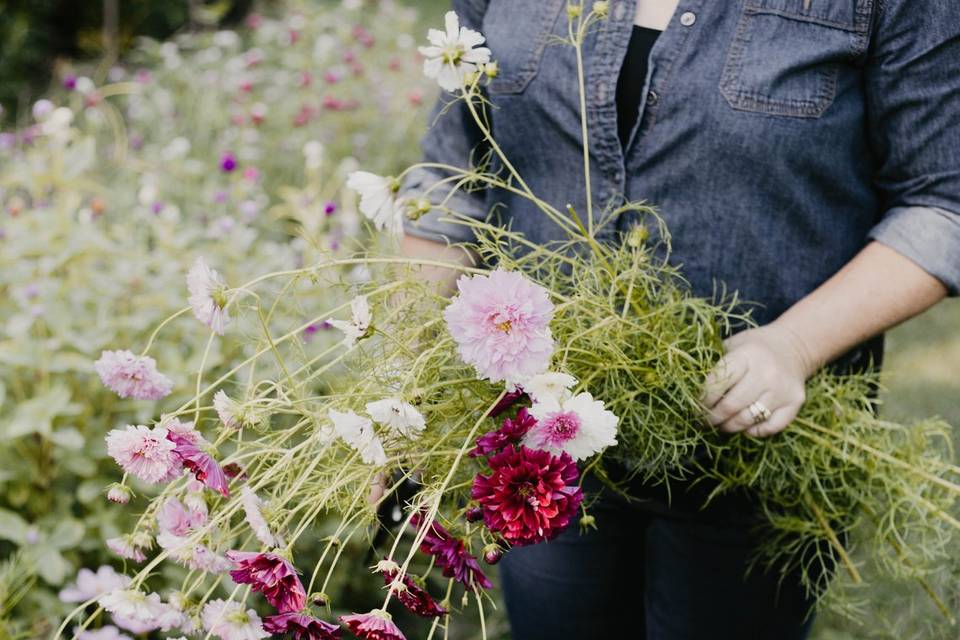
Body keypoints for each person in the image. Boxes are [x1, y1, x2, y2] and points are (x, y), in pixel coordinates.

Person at [398, 0, 960, 637]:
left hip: (758, 445)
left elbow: (943, 203)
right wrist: (405, 385)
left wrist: (794, 345)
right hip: (540, 437)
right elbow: (449, 183)